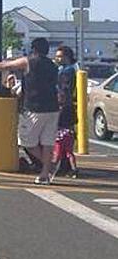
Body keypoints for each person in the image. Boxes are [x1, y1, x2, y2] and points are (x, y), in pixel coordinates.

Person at [0, 37, 60, 185]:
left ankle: (49, 165)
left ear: (33, 48)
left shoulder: (29, 61)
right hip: (52, 107)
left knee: (27, 142)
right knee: (47, 142)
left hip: (34, 107)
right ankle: (45, 172)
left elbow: (6, 65)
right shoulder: (52, 65)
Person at [52, 45, 79, 179]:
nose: (57, 58)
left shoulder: (67, 71)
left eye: (60, 56)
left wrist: (59, 102)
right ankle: (65, 166)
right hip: (65, 107)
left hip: (64, 108)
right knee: (64, 138)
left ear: (66, 57)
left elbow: (64, 90)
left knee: (62, 137)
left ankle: (65, 166)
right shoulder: (63, 69)